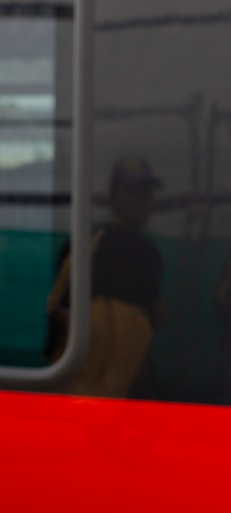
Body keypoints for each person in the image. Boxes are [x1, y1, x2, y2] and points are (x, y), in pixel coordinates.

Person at [46, 156, 164, 398]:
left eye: (145, 193)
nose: (140, 201)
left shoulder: (83, 243)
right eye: (132, 192)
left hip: (79, 393)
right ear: (114, 196)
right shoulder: (144, 253)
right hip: (106, 397)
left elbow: (53, 330)